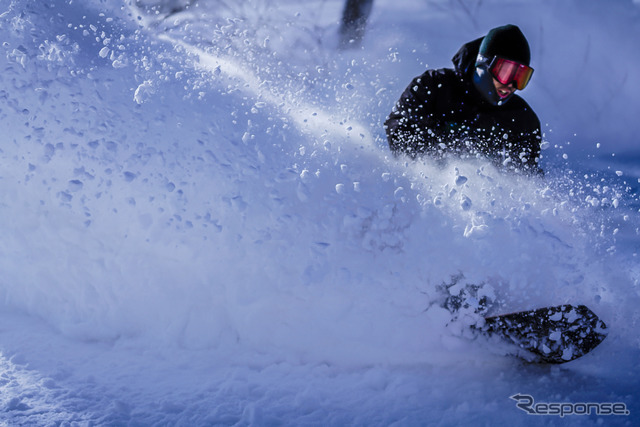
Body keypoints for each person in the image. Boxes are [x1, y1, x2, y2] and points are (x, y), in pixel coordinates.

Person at [384, 24, 542, 174]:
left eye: (520, 77)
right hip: (421, 186)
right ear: (484, 65)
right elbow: (399, 128)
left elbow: (526, 177)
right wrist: (441, 157)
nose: (511, 85)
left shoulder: (522, 120)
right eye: (506, 72)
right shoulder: (433, 87)